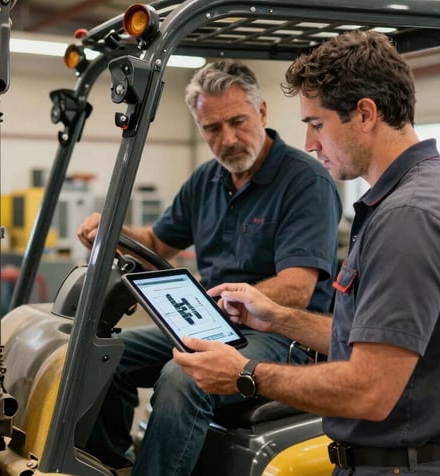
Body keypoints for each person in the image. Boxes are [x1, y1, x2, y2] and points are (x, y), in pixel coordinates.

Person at [173, 30, 440, 476]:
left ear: (365, 113)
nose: (309, 143)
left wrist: (245, 373)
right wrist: (276, 317)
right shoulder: (429, 193)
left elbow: (369, 389)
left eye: (317, 124)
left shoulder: (410, 217)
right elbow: (376, 339)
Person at [77, 61, 342, 475]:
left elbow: (296, 288)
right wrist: (111, 231)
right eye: (212, 129)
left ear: (263, 113)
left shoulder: (305, 181)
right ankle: (112, 466)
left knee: (183, 377)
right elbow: (156, 242)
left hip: (281, 335)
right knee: (101, 354)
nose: (229, 139)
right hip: (209, 321)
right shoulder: (207, 180)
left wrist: (227, 301)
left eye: (237, 121)